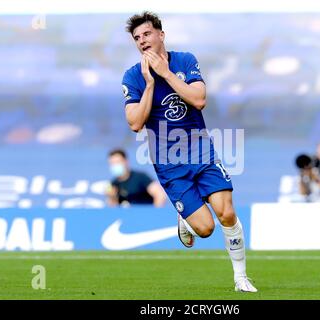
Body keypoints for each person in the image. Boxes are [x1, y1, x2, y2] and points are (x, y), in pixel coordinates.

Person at [122, 12, 257, 292]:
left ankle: (241, 277)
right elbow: (135, 123)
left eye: (146, 34)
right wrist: (150, 84)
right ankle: (186, 215)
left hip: (200, 150)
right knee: (206, 229)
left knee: (227, 213)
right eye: (137, 38)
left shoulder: (184, 61)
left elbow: (199, 99)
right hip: (168, 162)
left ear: (161, 34)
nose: (142, 41)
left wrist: (166, 74)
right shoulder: (133, 76)